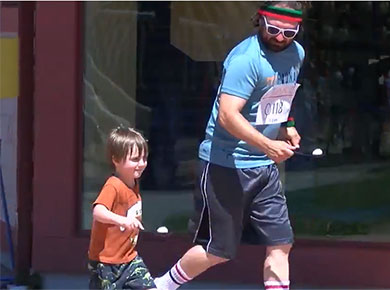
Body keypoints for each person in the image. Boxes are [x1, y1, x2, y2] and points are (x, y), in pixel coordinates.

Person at [154, 1, 307, 290]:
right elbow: (227, 115)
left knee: (281, 244)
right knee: (217, 251)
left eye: (290, 32)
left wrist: (288, 126)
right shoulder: (245, 59)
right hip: (225, 164)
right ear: (259, 20)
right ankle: (161, 286)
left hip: (263, 167)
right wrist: (268, 145)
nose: (280, 38)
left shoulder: (296, 53)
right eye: (273, 29)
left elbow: (282, 92)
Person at [88, 127, 156, 290]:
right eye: (135, 159)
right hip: (106, 263)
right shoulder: (113, 186)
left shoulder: (133, 183)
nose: (141, 164)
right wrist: (122, 221)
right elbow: (98, 211)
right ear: (116, 160)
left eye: (144, 158)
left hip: (130, 259)